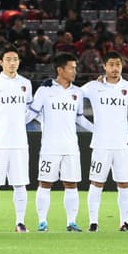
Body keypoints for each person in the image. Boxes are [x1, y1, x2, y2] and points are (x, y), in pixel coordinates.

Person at [28, 53, 94, 232]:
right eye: (71, 67)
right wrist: (16, 125)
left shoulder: (77, 92)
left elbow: (79, 118)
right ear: (60, 70)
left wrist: (98, 130)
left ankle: (71, 222)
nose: (75, 71)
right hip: (50, 147)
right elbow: (32, 113)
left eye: (75, 67)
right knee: (45, 183)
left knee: (71, 184)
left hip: (71, 147)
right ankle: (42, 222)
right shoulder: (45, 90)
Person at [81, 51, 128, 232]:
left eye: (118, 64)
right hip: (100, 144)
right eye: (111, 65)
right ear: (104, 67)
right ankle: (93, 223)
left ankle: (124, 222)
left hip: (122, 144)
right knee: (96, 183)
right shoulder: (93, 86)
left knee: (124, 184)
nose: (115, 68)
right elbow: (74, 93)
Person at [0, 47, 34, 232]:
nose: (13, 63)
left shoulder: (26, 84)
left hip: (19, 143)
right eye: (9, 59)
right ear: (1, 62)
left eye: (16, 59)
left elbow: (27, 114)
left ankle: (20, 222)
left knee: (20, 184)